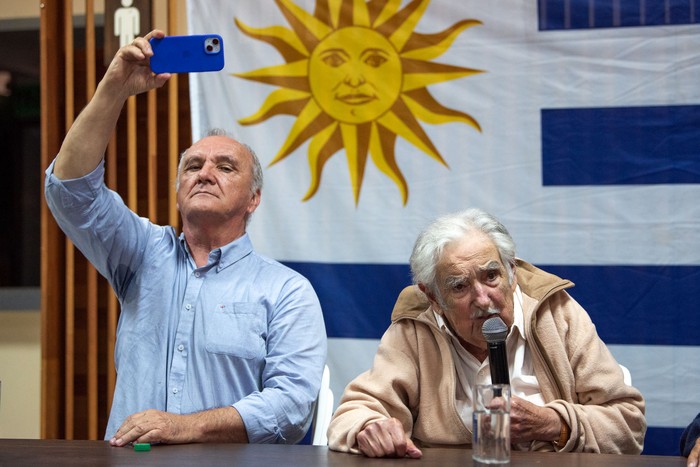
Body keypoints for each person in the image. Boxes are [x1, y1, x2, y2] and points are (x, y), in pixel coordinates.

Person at [44, 29, 327, 446]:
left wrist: (186, 427)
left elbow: (291, 407)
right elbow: (70, 191)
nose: (205, 172)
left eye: (226, 167)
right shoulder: (142, 253)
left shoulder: (287, 291)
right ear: (179, 190)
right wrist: (114, 88)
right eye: (193, 165)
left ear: (253, 200)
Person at [327, 208, 646, 457]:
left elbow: (628, 426)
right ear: (434, 298)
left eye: (491, 276)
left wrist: (552, 424)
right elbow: (354, 413)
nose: (482, 299)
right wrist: (369, 428)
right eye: (460, 286)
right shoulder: (416, 327)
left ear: (511, 272)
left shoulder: (556, 314)